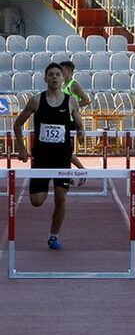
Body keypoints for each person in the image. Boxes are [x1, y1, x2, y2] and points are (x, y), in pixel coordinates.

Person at [12, 63, 85, 250]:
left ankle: (53, 236)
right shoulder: (36, 100)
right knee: (37, 201)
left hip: (62, 158)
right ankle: (45, 189)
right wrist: (22, 148)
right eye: (51, 74)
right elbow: (17, 124)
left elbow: (78, 121)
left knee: (60, 198)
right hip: (42, 158)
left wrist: (81, 131)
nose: (54, 77)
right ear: (45, 78)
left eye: (57, 74)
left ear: (63, 78)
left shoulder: (71, 101)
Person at [58, 61, 90, 174]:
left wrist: (72, 107)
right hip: (62, 120)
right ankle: (67, 174)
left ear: (68, 71)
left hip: (71, 121)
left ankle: (80, 171)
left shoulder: (73, 84)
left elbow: (86, 100)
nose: (60, 72)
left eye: (62, 70)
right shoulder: (62, 85)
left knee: (65, 150)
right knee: (62, 150)